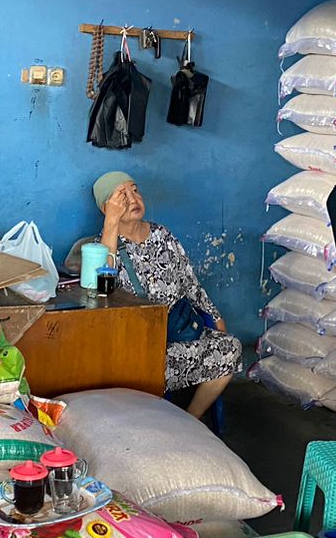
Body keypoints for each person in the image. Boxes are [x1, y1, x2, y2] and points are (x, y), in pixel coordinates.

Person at [95, 172, 243, 418]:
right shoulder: (101, 247)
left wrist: (215, 318)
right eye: (122, 195)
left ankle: (191, 418)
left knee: (230, 348)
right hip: (136, 342)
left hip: (178, 329)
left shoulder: (162, 235)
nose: (133, 199)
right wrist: (110, 225)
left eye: (135, 190)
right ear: (106, 207)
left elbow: (190, 284)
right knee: (135, 369)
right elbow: (102, 290)